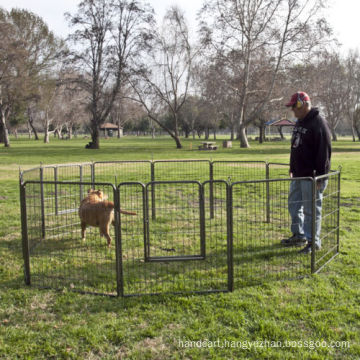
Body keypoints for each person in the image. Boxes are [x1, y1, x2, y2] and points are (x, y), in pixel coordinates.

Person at [281, 92, 332, 254]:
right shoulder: (300, 122)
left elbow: (324, 152)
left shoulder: (318, 123)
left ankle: (313, 242)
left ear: (302, 104)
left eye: (294, 107)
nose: (293, 112)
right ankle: (299, 235)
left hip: (312, 176)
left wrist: (320, 176)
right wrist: (292, 167)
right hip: (298, 174)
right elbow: (295, 146)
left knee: (311, 210)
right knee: (294, 205)